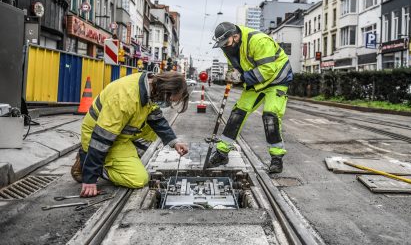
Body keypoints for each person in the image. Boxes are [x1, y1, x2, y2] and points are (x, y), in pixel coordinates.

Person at [71, 71, 189, 197]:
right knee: (139, 179)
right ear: (165, 89)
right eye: (168, 100)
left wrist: (174, 142)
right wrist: (90, 178)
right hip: (96, 136)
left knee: (152, 132)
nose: (168, 103)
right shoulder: (124, 97)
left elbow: (156, 118)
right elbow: (101, 139)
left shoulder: (150, 87)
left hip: (119, 136)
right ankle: (86, 160)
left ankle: (116, 161)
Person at [209, 22, 293, 173]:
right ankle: (222, 153)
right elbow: (234, 66)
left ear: (235, 36)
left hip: (277, 80)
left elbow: (268, 70)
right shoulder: (229, 47)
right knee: (237, 113)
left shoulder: (259, 41)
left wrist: (241, 78)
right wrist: (232, 74)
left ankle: (276, 159)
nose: (225, 47)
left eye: (226, 43)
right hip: (256, 83)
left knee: (270, 116)